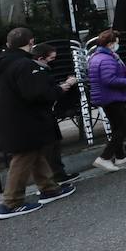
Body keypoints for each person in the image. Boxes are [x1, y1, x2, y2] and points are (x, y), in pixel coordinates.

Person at [0, 28, 78, 219]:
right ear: (31, 42)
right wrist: (56, 90)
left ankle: (49, 188)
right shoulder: (24, 64)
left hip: (11, 117)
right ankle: (11, 202)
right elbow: (37, 93)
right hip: (26, 118)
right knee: (23, 158)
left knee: (35, 152)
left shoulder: (3, 62)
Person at [87, 31, 126, 172]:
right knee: (124, 127)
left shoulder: (97, 56)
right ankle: (104, 158)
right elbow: (109, 80)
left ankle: (120, 156)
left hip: (106, 97)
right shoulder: (107, 59)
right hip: (112, 97)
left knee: (117, 127)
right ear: (110, 44)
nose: (117, 45)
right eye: (116, 42)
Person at [30, 43, 79, 185]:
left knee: (54, 144)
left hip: (46, 112)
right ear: (41, 58)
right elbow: (45, 92)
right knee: (49, 146)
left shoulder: (42, 69)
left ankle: (58, 174)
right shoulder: (37, 71)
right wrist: (66, 85)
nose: (54, 60)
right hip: (41, 114)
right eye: (52, 58)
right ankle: (54, 177)